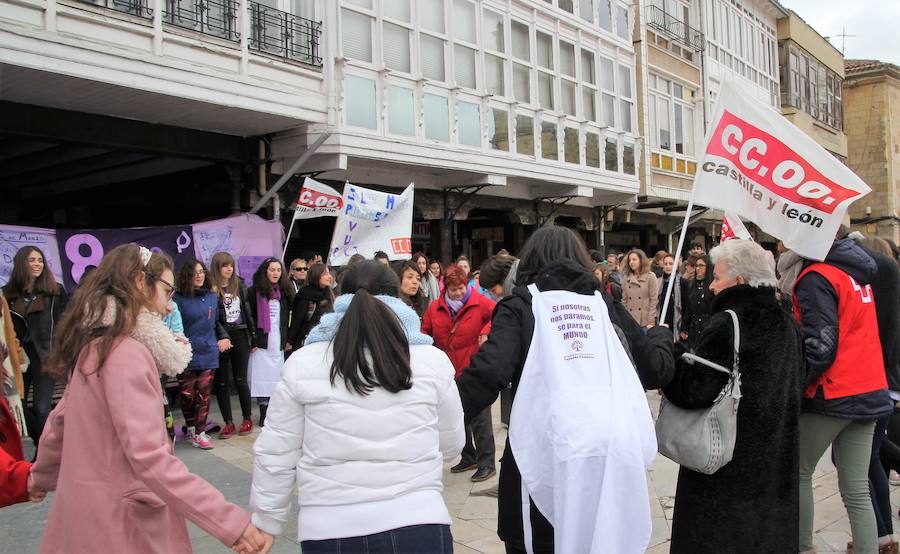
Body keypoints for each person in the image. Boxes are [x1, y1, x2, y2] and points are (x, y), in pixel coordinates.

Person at [29, 244, 266, 554]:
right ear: (140, 281)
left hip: (83, 517)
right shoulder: (127, 353)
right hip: (123, 524)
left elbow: (59, 424)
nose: (169, 306)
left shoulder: (94, 346)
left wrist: (40, 477)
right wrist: (229, 521)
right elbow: (150, 458)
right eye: (167, 292)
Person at [456, 226, 674, 553]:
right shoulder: (603, 305)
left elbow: (488, 373)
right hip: (606, 456)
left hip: (540, 454)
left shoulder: (521, 306)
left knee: (538, 539)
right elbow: (655, 370)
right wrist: (658, 336)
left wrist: (442, 417)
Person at [249, 261, 464, 552]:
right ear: (397, 298)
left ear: (341, 298)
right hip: (418, 520)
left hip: (329, 527)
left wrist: (266, 521)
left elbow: (276, 452)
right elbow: (451, 444)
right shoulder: (431, 360)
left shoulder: (303, 361)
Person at [661, 239, 803, 553]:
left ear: (738, 280)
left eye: (718, 276)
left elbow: (695, 391)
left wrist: (671, 356)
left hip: (727, 469)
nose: (712, 285)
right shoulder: (789, 324)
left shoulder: (728, 322)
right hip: (775, 463)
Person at [794, 231, 894, 554]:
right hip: (869, 389)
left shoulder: (816, 276)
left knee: (799, 471)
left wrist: (798, 385)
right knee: (856, 490)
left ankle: (803, 548)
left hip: (833, 391)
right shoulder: (856, 273)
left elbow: (821, 346)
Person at [422, 263, 496, 482]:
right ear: (446, 289)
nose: (458, 293)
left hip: (474, 369)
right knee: (457, 416)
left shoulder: (481, 303)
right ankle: (468, 455)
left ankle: (487, 462)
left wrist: (485, 331)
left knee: (480, 418)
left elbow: (499, 316)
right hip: (447, 371)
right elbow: (424, 330)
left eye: (462, 288)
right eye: (454, 290)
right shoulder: (435, 307)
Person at [850, 235, 900, 553]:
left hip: (872, 383)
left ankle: (877, 536)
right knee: (871, 459)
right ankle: (883, 537)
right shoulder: (890, 286)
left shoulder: (872, 294)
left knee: (859, 462)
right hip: (886, 383)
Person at [2, 246, 68, 445]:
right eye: (32, 260)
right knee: (17, 404)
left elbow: (65, 322)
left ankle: (44, 451)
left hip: (44, 356)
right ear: (22, 263)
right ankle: (25, 447)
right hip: (17, 356)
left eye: (40, 260)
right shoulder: (7, 294)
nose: (37, 264)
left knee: (41, 408)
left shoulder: (55, 291)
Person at [173, 259, 230, 450]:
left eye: (201, 272)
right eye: (194, 272)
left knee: (203, 396)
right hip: (186, 353)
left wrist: (223, 337)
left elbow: (218, 322)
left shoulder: (212, 297)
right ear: (186, 276)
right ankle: (190, 427)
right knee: (188, 395)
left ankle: (200, 433)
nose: (199, 275)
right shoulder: (177, 299)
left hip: (208, 351)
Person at [209, 252, 257, 439]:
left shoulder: (240, 284)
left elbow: (248, 312)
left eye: (231, 265)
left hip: (240, 334)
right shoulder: (211, 288)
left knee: (240, 379)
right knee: (221, 381)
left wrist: (253, 335)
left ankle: (247, 418)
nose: (229, 269)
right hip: (221, 336)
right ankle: (228, 422)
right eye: (224, 266)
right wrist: (221, 335)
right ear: (217, 268)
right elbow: (213, 317)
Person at [248, 257, 293, 428]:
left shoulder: (286, 293)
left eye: (278, 270)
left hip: (278, 340)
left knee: (276, 378)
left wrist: (288, 339)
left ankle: (276, 413)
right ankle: (263, 412)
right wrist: (252, 339)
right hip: (261, 341)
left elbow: (288, 318)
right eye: (272, 270)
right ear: (265, 271)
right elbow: (250, 315)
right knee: (262, 378)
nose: (275, 273)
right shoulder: (254, 292)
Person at [286, 263, 334, 350]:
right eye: (325, 274)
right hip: (305, 339)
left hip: (325, 340)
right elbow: (297, 319)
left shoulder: (328, 294)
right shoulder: (306, 294)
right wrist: (290, 340)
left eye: (329, 273)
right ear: (316, 275)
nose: (329, 276)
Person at [680, 254, 714, 346]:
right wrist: (684, 328)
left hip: (708, 327)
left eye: (701, 265)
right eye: (696, 266)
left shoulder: (713, 286)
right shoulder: (692, 286)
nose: (698, 268)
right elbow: (689, 309)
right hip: (694, 328)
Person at [621, 249, 659, 327]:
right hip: (630, 319)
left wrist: (651, 320)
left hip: (645, 321)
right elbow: (624, 300)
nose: (631, 262)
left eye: (634, 260)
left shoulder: (650, 277)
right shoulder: (626, 277)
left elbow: (654, 300)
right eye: (630, 260)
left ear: (641, 261)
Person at [657, 254, 682, 330]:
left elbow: (686, 305)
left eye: (671, 264)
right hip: (663, 318)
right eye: (665, 264)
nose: (668, 266)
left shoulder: (682, 282)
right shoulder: (660, 282)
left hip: (676, 318)